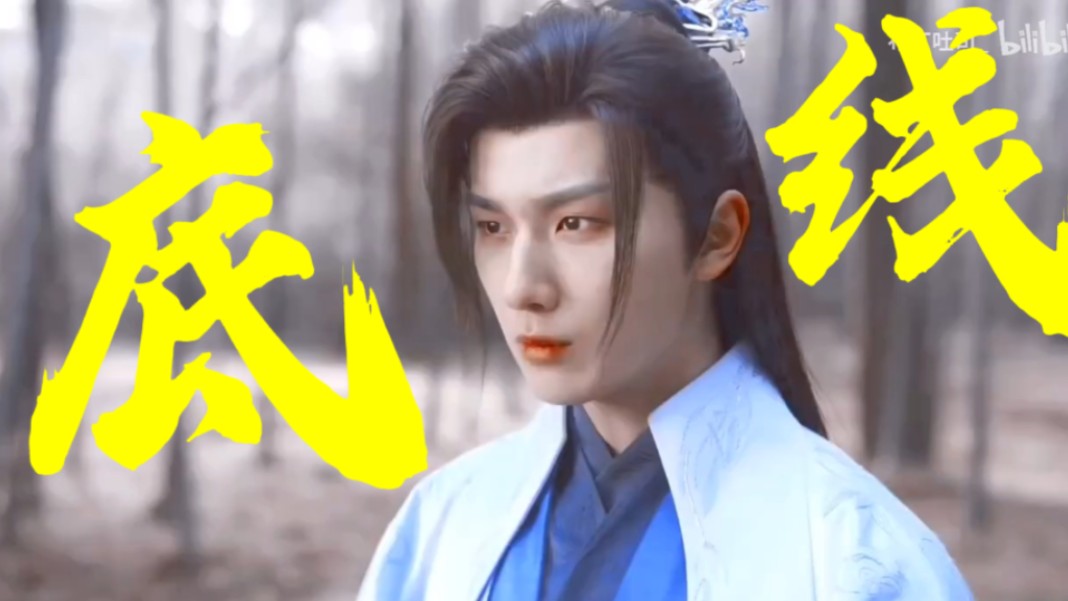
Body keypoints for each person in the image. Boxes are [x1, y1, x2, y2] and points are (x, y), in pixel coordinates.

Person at [357, 1, 974, 599]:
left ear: (717, 236)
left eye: (576, 223)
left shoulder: (858, 563)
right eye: (493, 227)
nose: (523, 287)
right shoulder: (444, 527)